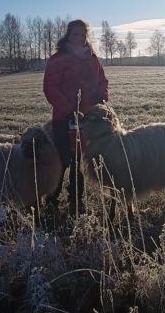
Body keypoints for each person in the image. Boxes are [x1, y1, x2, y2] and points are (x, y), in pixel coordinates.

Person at [43, 19, 109, 215]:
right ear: (68, 35)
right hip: (64, 118)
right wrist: (69, 106)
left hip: (87, 118)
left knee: (79, 160)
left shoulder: (92, 58)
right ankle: (51, 199)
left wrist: (101, 96)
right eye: (75, 34)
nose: (79, 38)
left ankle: (76, 200)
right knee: (62, 160)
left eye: (82, 34)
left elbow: (102, 80)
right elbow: (50, 87)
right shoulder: (58, 58)